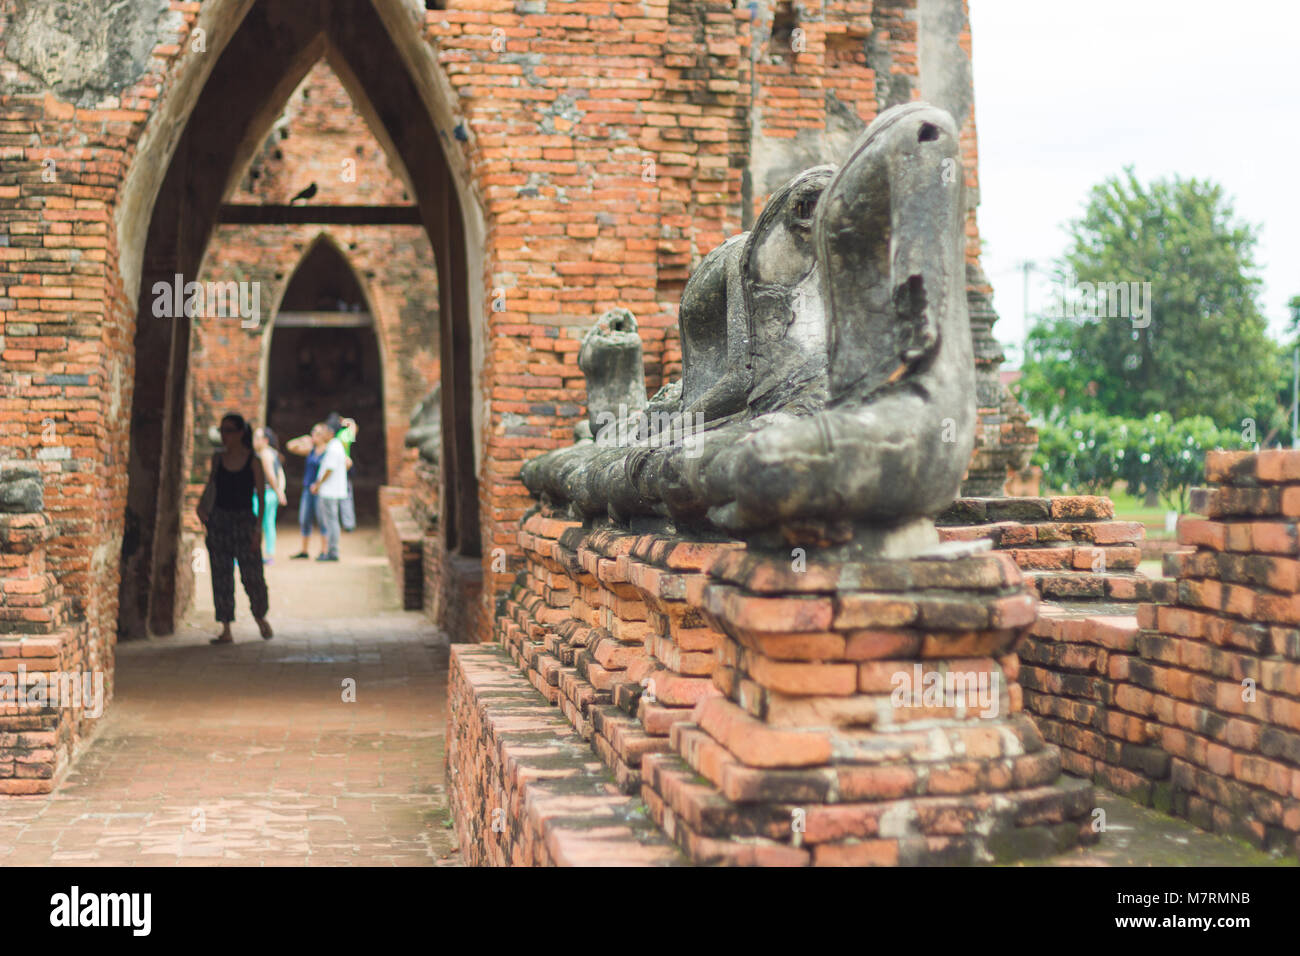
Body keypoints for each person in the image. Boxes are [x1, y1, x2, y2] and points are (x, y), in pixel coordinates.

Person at [196, 413, 273, 644]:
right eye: (222, 431)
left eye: (229, 431)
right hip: (219, 521)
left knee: (252, 575)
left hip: (243, 522)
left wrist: (258, 529)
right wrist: (203, 508)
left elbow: (260, 496)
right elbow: (212, 486)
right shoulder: (218, 459)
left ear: (240, 433)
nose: (224, 436)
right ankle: (226, 627)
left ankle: (260, 616)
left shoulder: (253, 461)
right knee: (221, 575)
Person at [286, 423, 330, 559]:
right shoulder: (311, 450)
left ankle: (324, 550)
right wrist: (302, 439)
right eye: (313, 432)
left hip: (321, 490)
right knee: (305, 518)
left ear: (324, 436)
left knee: (323, 520)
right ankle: (304, 550)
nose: (314, 435)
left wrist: (319, 485)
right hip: (307, 488)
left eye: (317, 433)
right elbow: (290, 446)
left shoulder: (328, 451)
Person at [311, 424, 349, 562]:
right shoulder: (336, 445)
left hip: (330, 490)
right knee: (331, 521)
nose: (323, 435)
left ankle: (332, 551)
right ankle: (332, 550)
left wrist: (319, 484)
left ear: (331, 433)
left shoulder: (333, 447)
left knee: (331, 522)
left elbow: (329, 469)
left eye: (325, 432)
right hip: (332, 490)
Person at [253, 426, 288, 563]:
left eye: (257, 438)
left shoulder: (265, 454)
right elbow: (281, 475)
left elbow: (271, 475)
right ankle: (269, 554)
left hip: (264, 494)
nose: (254, 441)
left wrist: (278, 491)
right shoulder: (273, 453)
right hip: (271, 494)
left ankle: (253, 552)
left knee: (255, 523)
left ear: (265, 440)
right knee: (269, 524)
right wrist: (280, 491)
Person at [326, 412, 358, 532]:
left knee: (332, 496)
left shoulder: (329, 438)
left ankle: (333, 523)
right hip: (344, 469)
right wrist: (346, 421)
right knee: (346, 496)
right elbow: (354, 428)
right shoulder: (344, 435)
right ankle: (348, 523)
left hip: (333, 469)